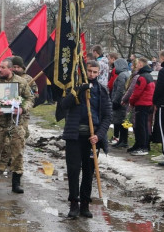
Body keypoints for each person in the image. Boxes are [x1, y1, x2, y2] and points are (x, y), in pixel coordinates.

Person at [56, 60, 111, 218]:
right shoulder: (73, 87)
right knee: (73, 170)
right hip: (74, 136)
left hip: (92, 138)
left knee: (89, 172)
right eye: (89, 71)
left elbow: (107, 116)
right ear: (83, 71)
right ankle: (74, 203)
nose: (92, 75)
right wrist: (79, 91)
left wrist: (98, 135)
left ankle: (85, 203)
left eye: (95, 72)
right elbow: (64, 105)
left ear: (99, 73)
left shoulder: (102, 91)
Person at [0, 57, 34, 193]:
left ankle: (16, 182)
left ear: (10, 68)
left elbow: (30, 98)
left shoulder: (21, 82)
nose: (0, 69)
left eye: (3, 67)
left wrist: (22, 109)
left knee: (17, 152)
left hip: (16, 123)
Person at [124, 56, 155, 156]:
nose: (136, 66)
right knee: (144, 126)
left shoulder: (142, 77)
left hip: (141, 104)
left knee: (140, 126)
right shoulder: (148, 76)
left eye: (137, 64)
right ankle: (140, 145)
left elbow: (137, 92)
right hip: (147, 103)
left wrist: (131, 102)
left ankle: (142, 146)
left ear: (141, 65)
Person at [109, 56, 132, 149]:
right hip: (124, 103)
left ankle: (123, 141)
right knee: (123, 122)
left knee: (121, 122)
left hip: (120, 103)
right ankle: (122, 140)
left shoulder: (122, 75)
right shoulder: (127, 74)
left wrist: (115, 101)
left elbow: (120, 90)